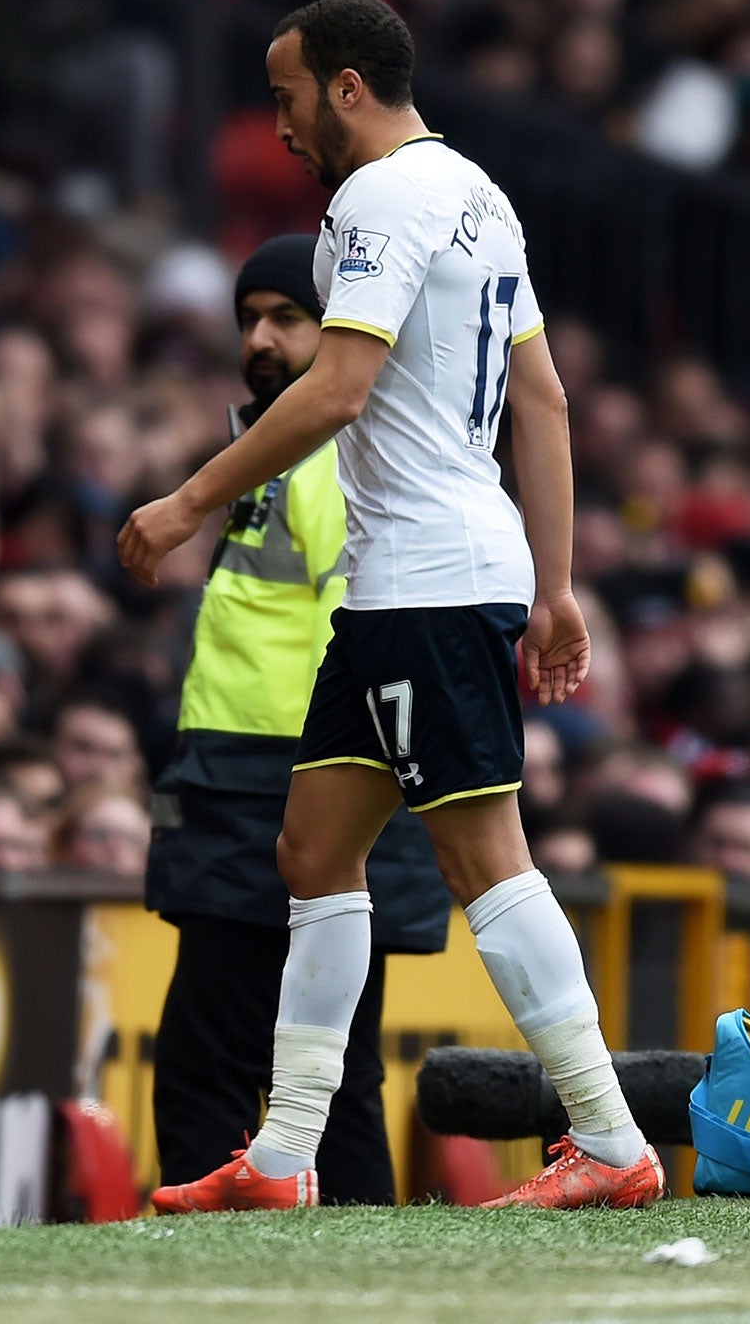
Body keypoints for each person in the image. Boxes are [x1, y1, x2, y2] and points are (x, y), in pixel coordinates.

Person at [121, 0, 661, 1213]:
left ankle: (607, 1135)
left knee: (484, 857)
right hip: (409, 588)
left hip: (427, 583)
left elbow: (336, 389)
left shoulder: (376, 198)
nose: (280, 126)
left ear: (347, 88)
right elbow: (542, 399)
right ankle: (281, 1159)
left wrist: (187, 501)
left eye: (287, 97)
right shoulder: (479, 195)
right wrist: (554, 586)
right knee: (313, 851)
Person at [146, 233, 450, 1206]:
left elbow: (359, 632)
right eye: (248, 319)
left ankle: (203, 1265)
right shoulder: (304, 458)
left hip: (272, 797)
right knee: (337, 1078)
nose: (260, 340)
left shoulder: (330, 461)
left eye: (286, 317)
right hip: (288, 791)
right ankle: (350, 1263)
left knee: (210, 1063)